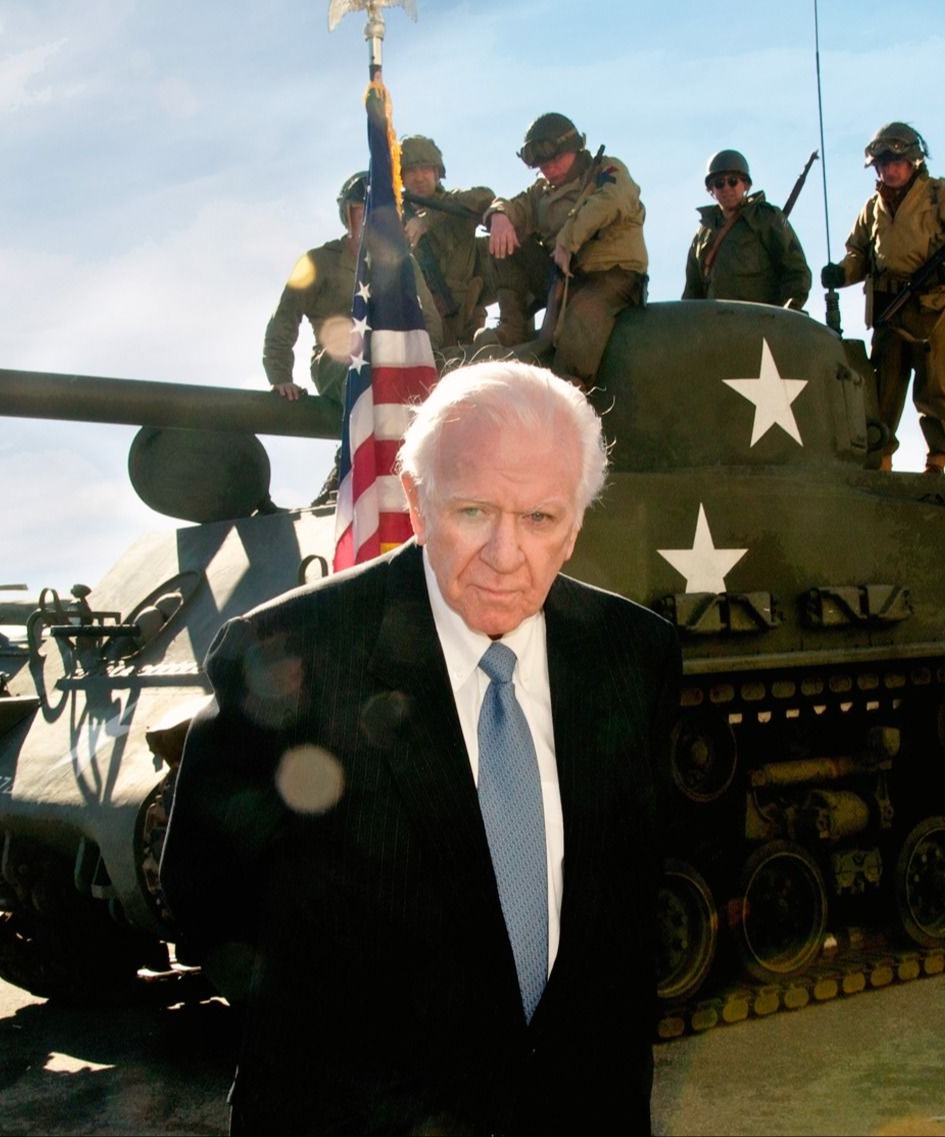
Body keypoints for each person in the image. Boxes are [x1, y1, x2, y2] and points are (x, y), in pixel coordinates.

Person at [159, 358, 680, 1136]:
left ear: (575, 523)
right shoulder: (287, 653)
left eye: (540, 518)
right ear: (416, 499)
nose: (507, 555)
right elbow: (203, 901)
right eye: (474, 510)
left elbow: (630, 893)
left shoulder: (633, 654)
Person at [482, 113, 648, 385]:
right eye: (542, 166)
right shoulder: (542, 192)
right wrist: (498, 216)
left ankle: (574, 389)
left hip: (610, 275)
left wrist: (567, 239)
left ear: (575, 149)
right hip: (561, 278)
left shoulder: (606, 171)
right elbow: (514, 206)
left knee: (578, 328)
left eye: (556, 160)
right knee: (503, 241)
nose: (550, 170)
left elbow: (610, 201)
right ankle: (514, 326)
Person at [822, 122, 945, 474]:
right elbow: (858, 254)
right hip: (890, 309)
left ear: (913, 162)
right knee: (882, 389)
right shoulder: (872, 208)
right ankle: (880, 457)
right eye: (882, 164)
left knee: (935, 384)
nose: (890, 170)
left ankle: (938, 459)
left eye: (896, 162)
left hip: (933, 306)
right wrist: (841, 273)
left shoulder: (937, 195)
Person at [262, 171, 442, 408]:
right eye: (361, 212)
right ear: (348, 216)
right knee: (364, 378)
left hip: (397, 353)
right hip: (339, 360)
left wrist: (426, 362)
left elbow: (430, 320)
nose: (370, 221)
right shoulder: (318, 261)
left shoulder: (404, 265)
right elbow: (284, 320)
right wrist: (281, 377)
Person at [682, 149, 811, 309]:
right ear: (711, 190)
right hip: (716, 327)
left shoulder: (765, 217)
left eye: (733, 181)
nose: (726, 188)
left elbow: (796, 271)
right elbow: (692, 290)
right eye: (719, 183)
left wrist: (786, 314)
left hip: (759, 324)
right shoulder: (703, 233)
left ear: (745, 184)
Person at [400, 134, 495, 346]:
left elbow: (486, 197)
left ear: (437, 173)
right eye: (411, 171)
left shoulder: (456, 204)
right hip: (421, 317)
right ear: (401, 178)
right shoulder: (396, 219)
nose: (419, 177)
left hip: (466, 314)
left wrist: (427, 220)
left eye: (425, 169)